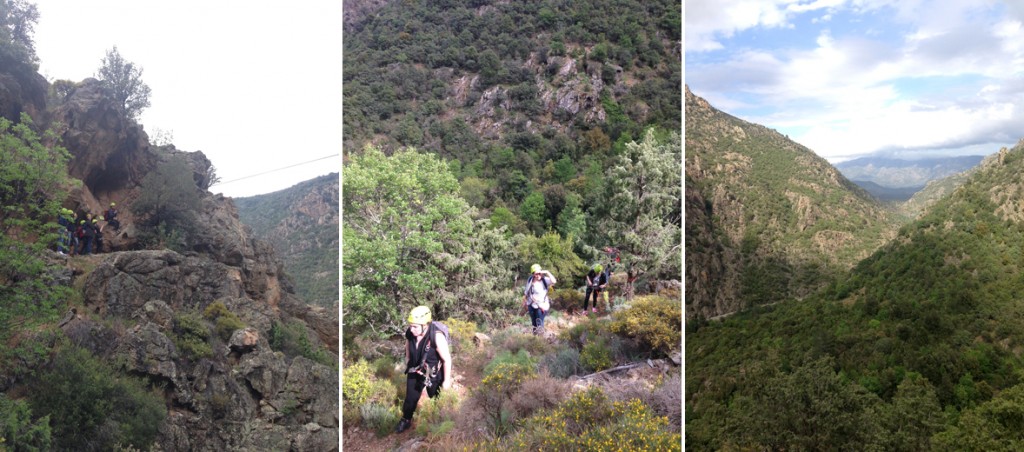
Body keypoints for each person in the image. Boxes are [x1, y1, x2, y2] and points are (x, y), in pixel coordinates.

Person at [397, 306, 453, 434]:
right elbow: (408, 344)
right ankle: (406, 419)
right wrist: (408, 359)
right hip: (415, 370)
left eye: (415, 326)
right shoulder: (410, 332)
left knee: (436, 398)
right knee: (410, 399)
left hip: (434, 373)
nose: (412, 329)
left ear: (426, 325)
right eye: (411, 325)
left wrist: (446, 380)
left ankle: (437, 422)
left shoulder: (436, 336)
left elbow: (447, 359)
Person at [522, 264, 556, 335]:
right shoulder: (530, 280)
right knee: (534, 324)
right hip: (531, 304)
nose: (538, 275)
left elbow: (554, 281)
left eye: (540, 273)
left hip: (541, 306)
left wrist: (547, 272)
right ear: (533, 274)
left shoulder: (545, 280)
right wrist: (524, 301)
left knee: (539, 323)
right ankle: (535, 339)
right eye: (536, 274)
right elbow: (526, 291)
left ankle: (540, 340)